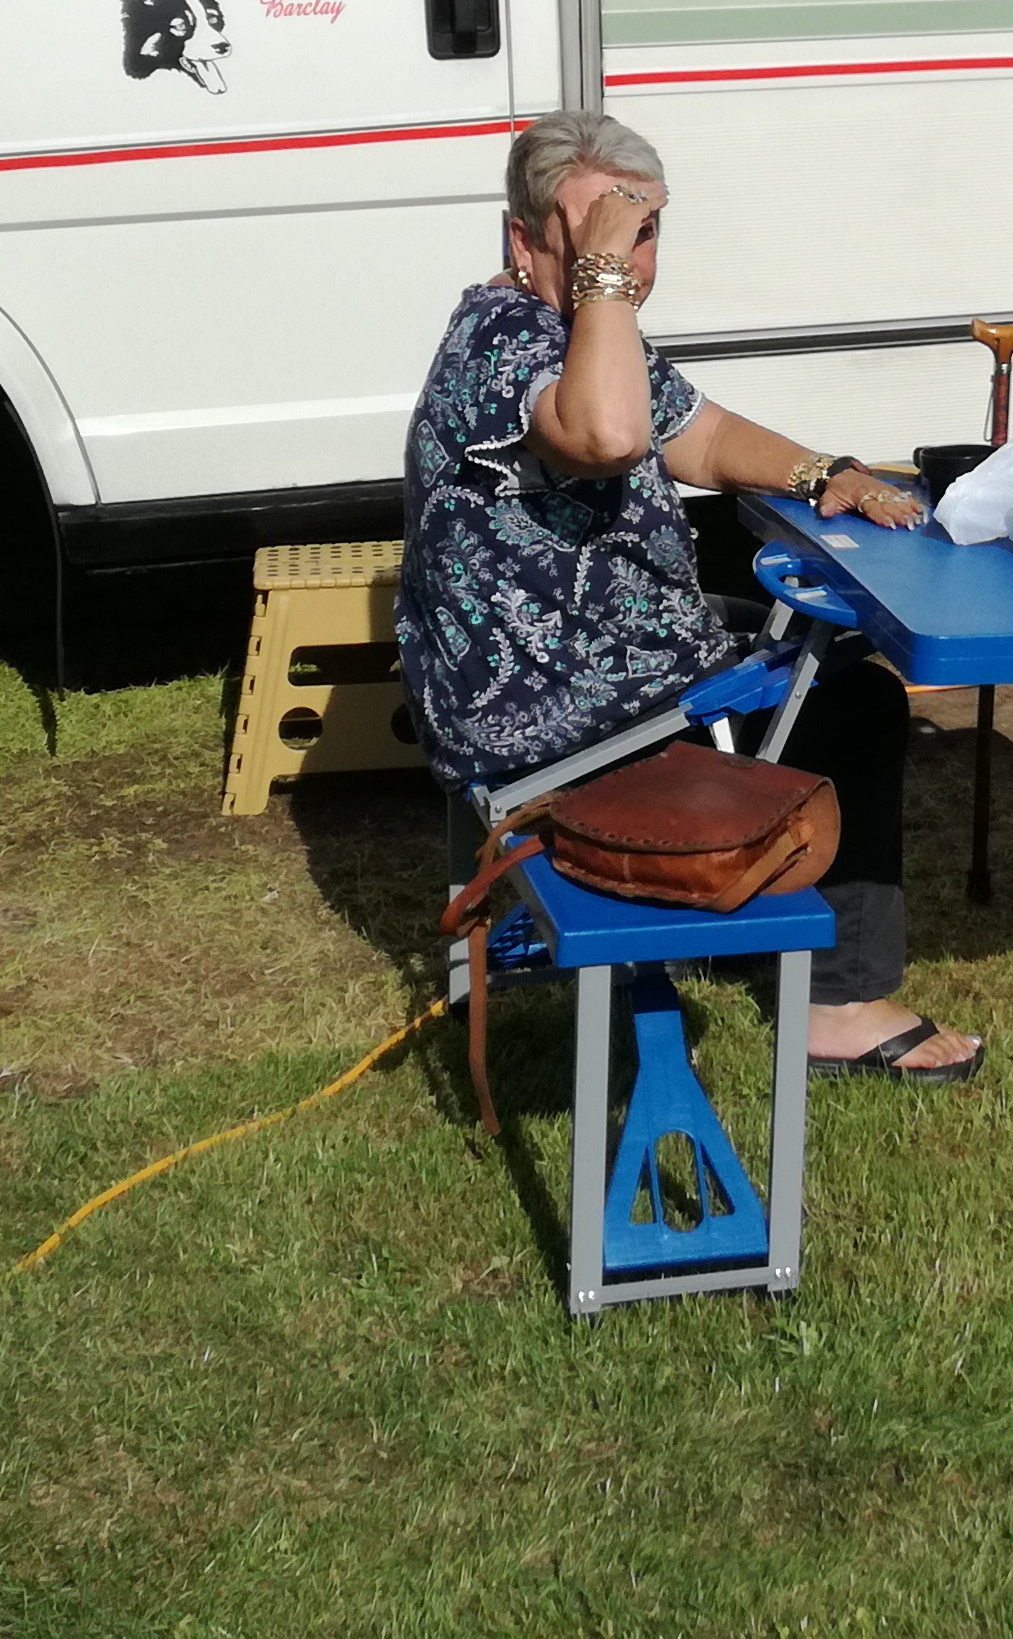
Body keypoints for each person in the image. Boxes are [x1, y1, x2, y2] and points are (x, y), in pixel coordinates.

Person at [398, 112, 983, 1085]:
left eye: (643, 233)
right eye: (599, 234)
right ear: (522, 240)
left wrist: (819, 470)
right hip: (544, 709)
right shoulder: (507, 342)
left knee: (816, 655)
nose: (626, 260)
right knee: (851, 698)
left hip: (581, 654)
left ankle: (757, 921)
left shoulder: (565, 322)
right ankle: (836, 1004)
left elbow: (696, 434)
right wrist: (606, 281)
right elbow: (610, 437)